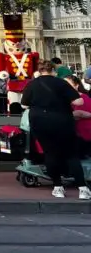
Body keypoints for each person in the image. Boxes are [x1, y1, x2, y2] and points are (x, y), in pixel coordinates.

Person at [21, 68, 91, 199]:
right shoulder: (61, 83)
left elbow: (24, 105)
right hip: (62, 120)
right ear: (53, 71)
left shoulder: (32, 84)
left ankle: (58, 187)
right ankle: (83, 189)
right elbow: (78, 101)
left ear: (40, 71)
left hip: (40, 121)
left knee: (50, 153)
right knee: (71, 154)